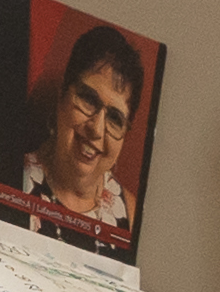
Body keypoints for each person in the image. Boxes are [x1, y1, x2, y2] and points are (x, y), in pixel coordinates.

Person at [23, 21, 151, 240]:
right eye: (88, 100)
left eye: (115, 118)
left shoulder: (131, 216)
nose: (97, 129)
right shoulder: (11, 179)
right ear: (63, 93)